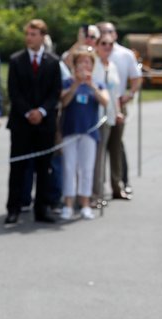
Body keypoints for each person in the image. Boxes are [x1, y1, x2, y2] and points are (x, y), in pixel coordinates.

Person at [5, 19, 62, 225]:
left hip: (45, 125)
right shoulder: (16, 60)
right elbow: (14, 91)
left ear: (42, 37)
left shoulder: (53, 61)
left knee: (44, 168)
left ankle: (42, 209)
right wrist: (28, 112)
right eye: (27, 34)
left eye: (33, 34)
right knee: (18, 168)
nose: (29, 38)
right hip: (21, 123)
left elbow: (55, 92)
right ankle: (13, 208)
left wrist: (42, 112)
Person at [59, 47, 108, 221]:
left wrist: (91, 85)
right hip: (70, 130)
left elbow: (105, 101)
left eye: (87, 62)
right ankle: (68, 203)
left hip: (89, 132)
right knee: (69, 167)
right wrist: (75, 85)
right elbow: (64, 102)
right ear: (75, 65)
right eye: (80, 62)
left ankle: (85, 203)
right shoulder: (67, 82)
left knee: (86, 168)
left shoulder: (97, 84)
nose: (84, 65)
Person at [99, 21, 141, 200]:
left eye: (109, 31)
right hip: (99, 106)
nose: (106, 36)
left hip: (118, 103)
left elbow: (136, 78)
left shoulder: (125, 54)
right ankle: (98, 189)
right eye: (102, 32)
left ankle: (120, 184)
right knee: (99, 148)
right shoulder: (94, 54)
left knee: (116, 146)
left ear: (115, 34)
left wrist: (129, 95)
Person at [92, 31, 121, 205]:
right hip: (94, 117)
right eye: (103, 43)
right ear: (96, 45)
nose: (107, 47)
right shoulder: (92, 63)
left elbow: (115, 93)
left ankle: (100, 191)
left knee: (102, 156)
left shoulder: (113, 66)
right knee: (95, 157)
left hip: (108, 116)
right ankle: (94, 193)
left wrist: (118, 112)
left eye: (110, 44)